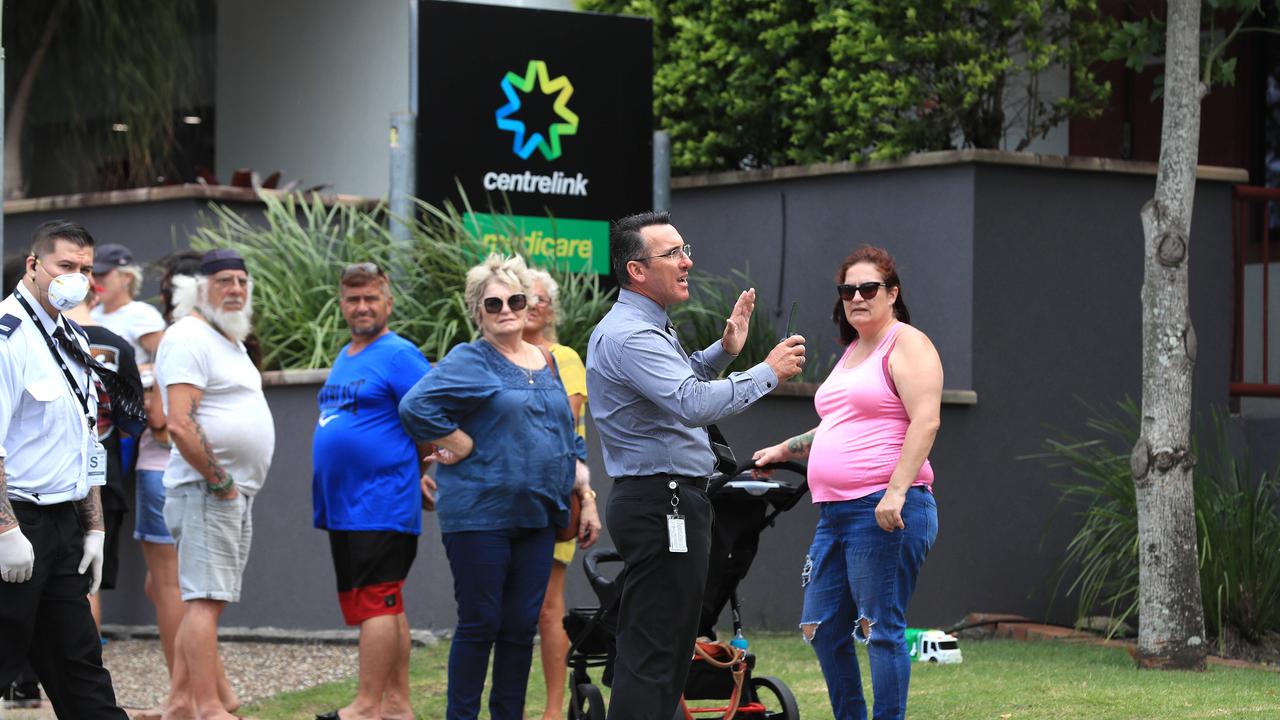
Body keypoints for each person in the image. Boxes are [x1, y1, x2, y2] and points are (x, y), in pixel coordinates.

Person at [585, 211, 806, 720]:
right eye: (673, 254)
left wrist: (722, 353)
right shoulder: (630, 335)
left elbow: (674, 388)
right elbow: (690, 403)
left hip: (668, 501)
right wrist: (765, 372)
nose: (688, 261)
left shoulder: (643, 328)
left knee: (665, 650)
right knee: (655, 652)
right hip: (661, 503)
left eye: (684, 250)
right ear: (637, 270)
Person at [751, 245, 942, 720]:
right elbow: (837, 425)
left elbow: (926, 421)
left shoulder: (908, 344)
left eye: (868, 288)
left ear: (892, 293)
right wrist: (784, 449)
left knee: (879, 628)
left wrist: (896, 491)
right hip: (835, 513)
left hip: (885, 506)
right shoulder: (854, 351)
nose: (857, 297)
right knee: (821, 626)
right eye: (847, 290)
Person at [398, 254, 585, 720]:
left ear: (528, 305)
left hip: (539, 516)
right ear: (478, 312)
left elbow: (567, 434)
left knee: (521, 628)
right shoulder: (468, 360)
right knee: (481, 624)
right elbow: (415, 407)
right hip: (480, 516)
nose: (506, 308)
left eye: (515, 299)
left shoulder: (546, 360)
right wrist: (458, 442)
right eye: (493, 302)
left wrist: (588, 497)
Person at [0, 220, 130, 718]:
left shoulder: (70, 337)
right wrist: (7, 530)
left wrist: (93, 528)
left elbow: (81, 441)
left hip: (62, 526)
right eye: (66, 266)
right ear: (34, 266)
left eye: (86, 269)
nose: (77, 278)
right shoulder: (9, 336)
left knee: (81, 669)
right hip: (18, 521)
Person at [156, 248, 275, 720]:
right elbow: (179, 423)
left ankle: (182, 701)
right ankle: (208, 708)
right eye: (225, 281)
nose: (237, 289)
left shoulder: (229, 339)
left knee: (208, 600)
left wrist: (230, 484)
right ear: (199, 289)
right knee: (205, 600)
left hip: (229, 490)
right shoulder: (187, 335)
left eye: (243, 281)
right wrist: (219, 479)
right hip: (208, 489)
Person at [311, 262, 434, 720]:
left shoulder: (399, 354)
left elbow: (430, 413)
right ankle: (397, 706)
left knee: (376, 602)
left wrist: (424, 469)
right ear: (342, 304)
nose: (361, 307)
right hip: (346, 505)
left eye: (370, 298)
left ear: (388, 301)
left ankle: (366, 706)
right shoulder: (348, 354)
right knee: (387, 602)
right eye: (352, 299)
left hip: (379, 501)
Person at [522, 268, 602, 720]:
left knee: (548, 609)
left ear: (551, 309)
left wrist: (587, 496)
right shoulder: (502, 357)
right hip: (511, 498)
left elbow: (561, 423)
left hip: (557, 494)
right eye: (523, 297)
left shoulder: (564, 357)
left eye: (539, 299)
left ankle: (554, 711)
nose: (532, 305)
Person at [65, 282, 143, 633]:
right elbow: (132, 422)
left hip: (42, 483)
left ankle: (29, 679)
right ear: (94, 298)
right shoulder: (118, 346)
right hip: (103, 479)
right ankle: (83, 672)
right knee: (85, 585)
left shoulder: (37, 339)